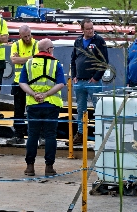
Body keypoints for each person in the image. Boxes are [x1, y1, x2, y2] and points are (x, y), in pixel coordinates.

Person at [19, 39, 65, 176]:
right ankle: (49, 167)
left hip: (33, 105)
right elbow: (60, 84)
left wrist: (34, 94)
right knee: (50, 136)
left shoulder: (29, 63)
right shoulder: (56, 64)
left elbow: (22, 83)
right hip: (51, 105)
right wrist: (45, 95)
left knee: (32, 135)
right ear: (49, 49)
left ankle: (30, 167)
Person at [70, 19, 109, 146]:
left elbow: (104, 61)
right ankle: (81, 134)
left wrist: (97, 77)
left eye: (91, 28)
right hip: (80, 81)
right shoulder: (78, 41)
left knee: (98, 108)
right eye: (87, 29)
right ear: (82, 29)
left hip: (93, 81)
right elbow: (73, 60)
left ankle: (100, 135)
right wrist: (74, 75)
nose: (90, 31)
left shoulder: (99, 41)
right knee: (80, 109)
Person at [7, 25, 38, 145]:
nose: (28, 38)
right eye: (25, 36)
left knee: (34, 110)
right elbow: (14, 60)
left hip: (33, 83)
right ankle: (18, 135)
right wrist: (29, 58)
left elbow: (37, 59)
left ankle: (36, 136)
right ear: (20, 36)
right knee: (18, 111)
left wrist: (22, 58)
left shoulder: (37, 44)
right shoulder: (16, 45)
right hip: (18, 82)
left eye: (29, 35)